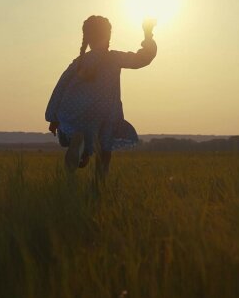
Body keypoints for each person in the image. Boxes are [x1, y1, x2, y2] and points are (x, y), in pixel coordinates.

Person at [46, 16, 157, 179]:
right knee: (104, 150)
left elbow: (60, 87)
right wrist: (147, 34)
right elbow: (143, 58)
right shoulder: (114, 58)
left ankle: (80, 150)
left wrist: (52, 117)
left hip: (75, 109)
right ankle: (99, 184)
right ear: (108, 36)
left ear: (87, 38)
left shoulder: (78, 62)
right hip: (104, 112)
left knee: (78, 133)